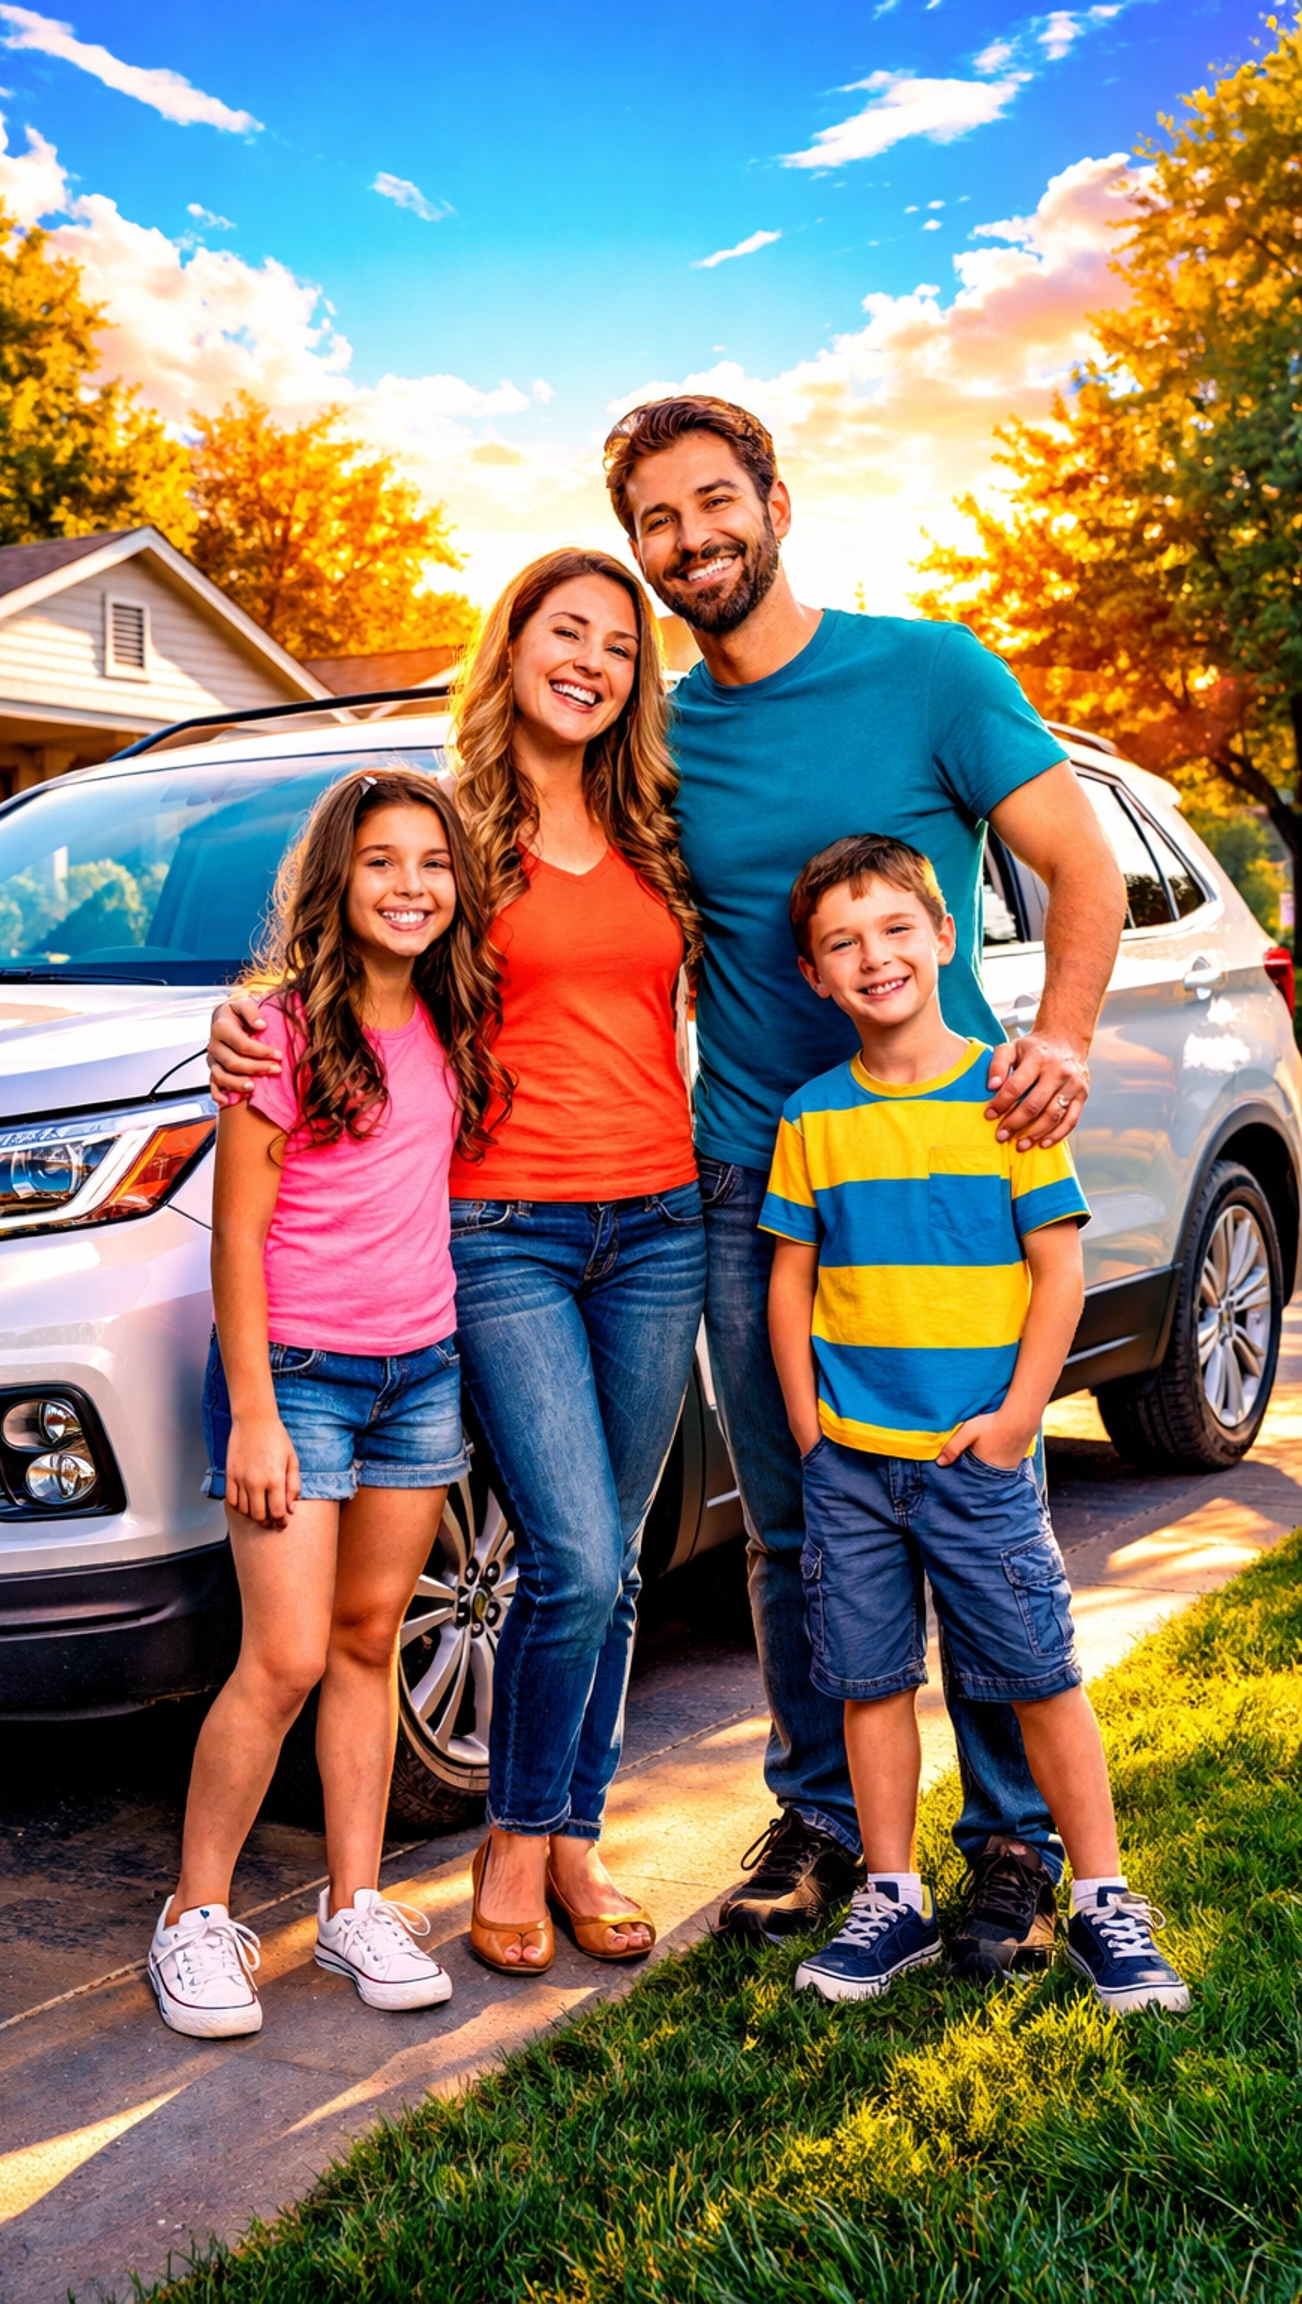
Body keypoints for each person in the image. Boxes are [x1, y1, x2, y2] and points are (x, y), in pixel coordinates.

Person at [599, 394, 1128, 1976]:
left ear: (775, 498)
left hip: (946, 1168)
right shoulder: (657, 736)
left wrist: (1062, 1038)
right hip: (750, 1180)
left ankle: (1017, 1850)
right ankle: (830, 1821)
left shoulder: (933, 673)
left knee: (977, 1503)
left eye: (714, 503)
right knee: (796, 1525)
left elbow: (1080, 865)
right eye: (658, 524)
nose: (692, 542)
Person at [208, 548, 706, 1975]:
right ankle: (513, 1836)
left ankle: (568, 1834)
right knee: (572, 1546)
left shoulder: (660, 824)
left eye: (620, 643)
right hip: (500, 1231)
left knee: (610, 1566)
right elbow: (332, 969)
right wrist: (233, 1031)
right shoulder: (452, 831)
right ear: (514, 646)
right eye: (568, 631)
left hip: (659, 1222)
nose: (594, 661)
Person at [766, 834, 1189, 2013]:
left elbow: (1060, 1272)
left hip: (977, 1463)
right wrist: (810, 1427)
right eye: (842, 943)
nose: (875, 956)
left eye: (897, 929)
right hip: (854, 1464)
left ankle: (1104, 1898)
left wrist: (1013, 1423)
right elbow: (790, 1278)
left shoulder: (1005, 1098)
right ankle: (890, 1898)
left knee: (1037, 1675)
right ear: (814, 975)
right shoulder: (813, 1119)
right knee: (869, 1680)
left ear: (945, 937)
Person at [148, 769, 509, 2037]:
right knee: (287, 1655)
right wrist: (250, 1408)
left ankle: (358, 1905)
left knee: (368, 1643)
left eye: (433, 863)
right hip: (296, 1377)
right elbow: (234, 1241)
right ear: (335, 882)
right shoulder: (278, 1033)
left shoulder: (459, 1025)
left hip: (420, 1375)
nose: (410, 886)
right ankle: (195, 1918)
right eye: (380, 863)